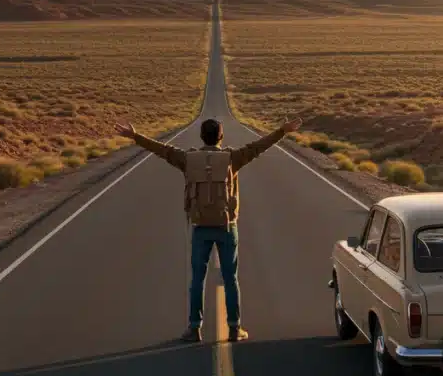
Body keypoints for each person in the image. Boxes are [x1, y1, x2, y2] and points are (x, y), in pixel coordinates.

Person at [114, 116, 302, 342]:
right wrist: (282, 130)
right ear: (221, 137)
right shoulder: (232, 159)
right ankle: (234, 329)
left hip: (200, 227)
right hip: (226, 227)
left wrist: (135, 136)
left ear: (202, 136)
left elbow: (162, 150)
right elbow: (258, 147)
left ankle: (194, 328)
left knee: (197, 279)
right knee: (230, 278)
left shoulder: (188, 159)